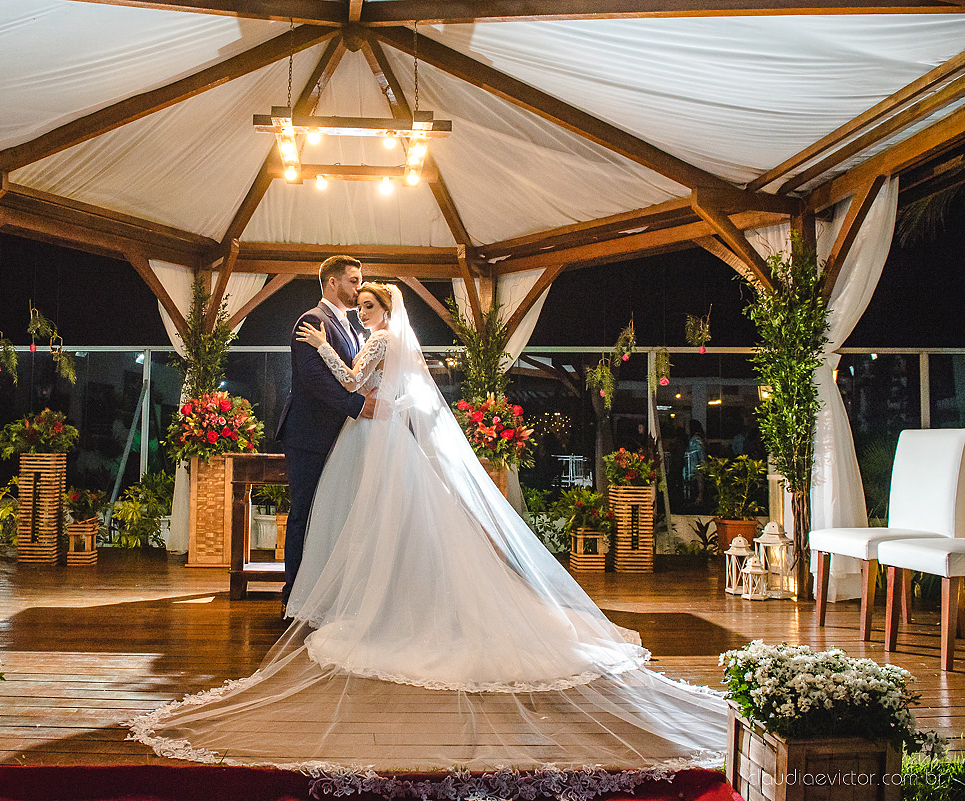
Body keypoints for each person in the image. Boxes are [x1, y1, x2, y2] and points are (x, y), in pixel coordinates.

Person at [130, 284, 725, 782]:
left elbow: (351, 381)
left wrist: (322, 346)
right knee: (385, 523)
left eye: (368, 307)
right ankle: (385, 592)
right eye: (358, 307)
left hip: (375, 439)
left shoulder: (379, 340)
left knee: (374, 521)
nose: (361, 315)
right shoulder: (394, 342)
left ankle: (378, 600)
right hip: (382, 440)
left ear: (385, 312)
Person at [274, 255, 375, 605]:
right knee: (304, 512)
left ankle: (323, 592)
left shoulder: (352, 327)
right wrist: (359, 407)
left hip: (337, 437)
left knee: (331, 514)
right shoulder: (311, 321)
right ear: (332, 282)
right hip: (309, 436)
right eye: (353, 280)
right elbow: (314, 378)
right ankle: (293, 596)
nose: (359, 287)